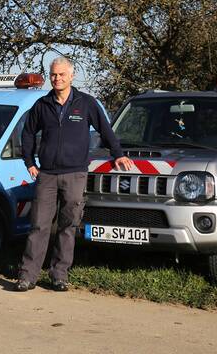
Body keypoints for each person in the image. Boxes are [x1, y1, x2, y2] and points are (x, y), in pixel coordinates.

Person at [16, 57, 134, 292]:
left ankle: (59, 275)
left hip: (75, 174)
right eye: (53, 75)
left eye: (61, 75)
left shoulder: (86, 103)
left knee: (68, 226)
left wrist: (118, 153)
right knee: (39, 225)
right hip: (47, 174)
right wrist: (29, 161)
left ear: (72, 76)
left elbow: (105, 129)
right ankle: (27, 276)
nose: (57, 79)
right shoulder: (42, 105)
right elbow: (27, 133)